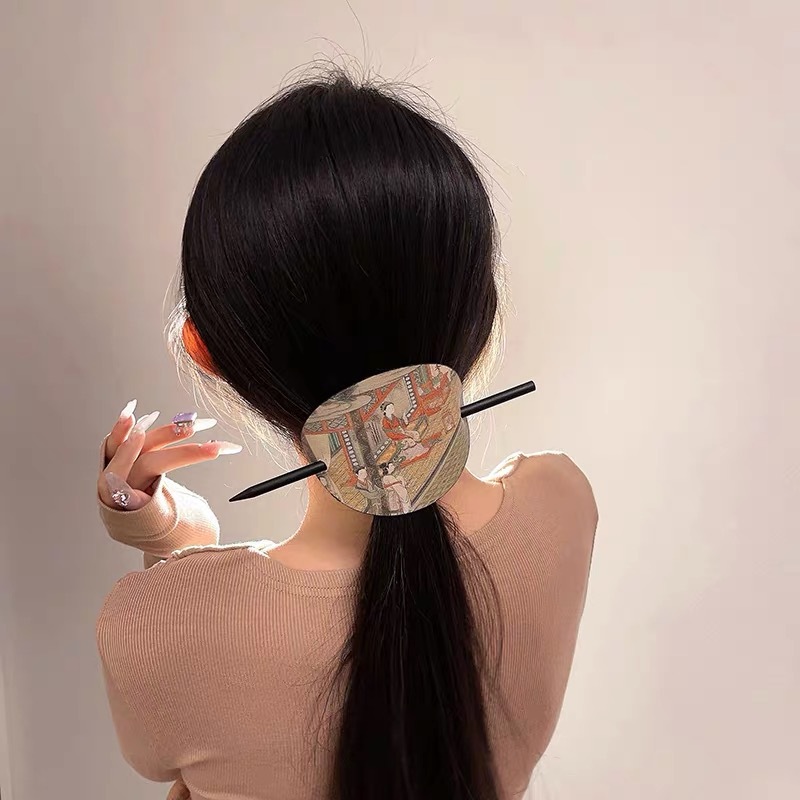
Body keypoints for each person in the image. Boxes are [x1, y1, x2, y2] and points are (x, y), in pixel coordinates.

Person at [95, 70, 598, 800]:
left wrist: (171, 540)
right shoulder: (561, 505)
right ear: (483, 313)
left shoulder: (153, 630)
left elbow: (209, 655)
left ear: (207, 352)